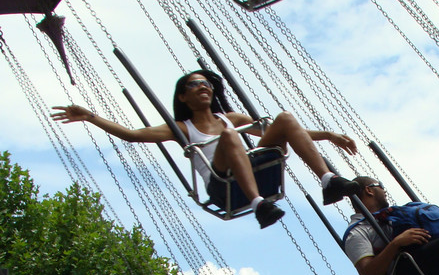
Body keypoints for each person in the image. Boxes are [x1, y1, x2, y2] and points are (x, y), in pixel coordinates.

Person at [52, 70, 359, 229]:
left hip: (256, 170)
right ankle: (257, 206)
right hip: (223, 185)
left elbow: (290, 132)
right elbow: (133, 135)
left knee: (284, 119)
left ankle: (327, 181)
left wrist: (329, 135)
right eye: (195, 85)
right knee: (229, 136)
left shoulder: (231, 118)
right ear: (183, 97)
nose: (203, 88)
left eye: (207, 85)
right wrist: (90, 117)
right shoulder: (183, 128)